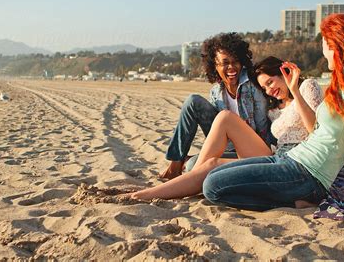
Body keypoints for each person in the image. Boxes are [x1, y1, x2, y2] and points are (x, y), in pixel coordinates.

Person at [202, 14, 344, 216]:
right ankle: (295, 200)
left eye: (323, 43)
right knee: (213, 174)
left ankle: (297, 203)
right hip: (291, 158)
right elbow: (339, 134)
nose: (323, 52)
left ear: (334, 44)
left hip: (307, 173)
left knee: (212, 186)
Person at [128, 57, 323, 201]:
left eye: (270, 82)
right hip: (273, 153)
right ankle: (178, 180)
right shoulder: (273, 107)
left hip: (295, 159)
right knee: (203, 162)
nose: (269, 90)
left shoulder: (307, 87)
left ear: (285, 73)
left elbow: (316, 129)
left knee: (223, 122)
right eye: (264, 88)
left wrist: (295, 90)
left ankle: (152, 193)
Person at [159, 33, 274, 180]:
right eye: (225, 63)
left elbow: (262, 129)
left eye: (235, 61)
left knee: (193, 166)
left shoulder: (253, 85)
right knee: (193, 102)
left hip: (252, 150)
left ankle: (191, 164)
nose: (231, 67)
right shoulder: (216, 91)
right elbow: (216, 132)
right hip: (227, 147)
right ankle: (176, 164)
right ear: (215, 64)